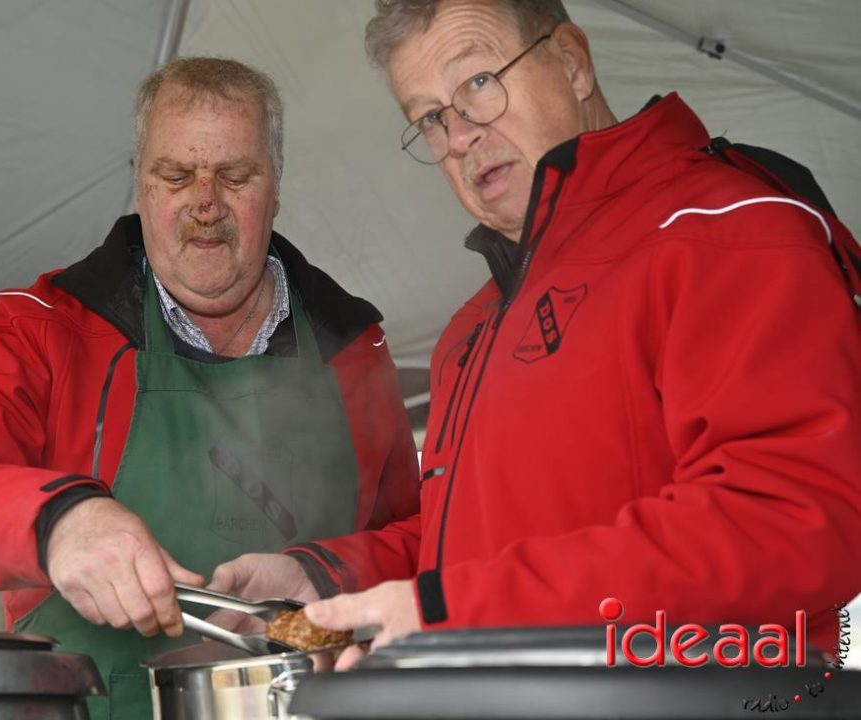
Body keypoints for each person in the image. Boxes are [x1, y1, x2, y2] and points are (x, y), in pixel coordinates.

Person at [210, 0, 861, 669]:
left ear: (572, 63)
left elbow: (791, 520)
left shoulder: (728, 229)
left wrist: (462, 612)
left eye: (478, 83)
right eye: (429, 117)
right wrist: (328, 580)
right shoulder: (472, 328)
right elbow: (466, 549)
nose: (458, 135)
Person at [0, 56, 419, 717]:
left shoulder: (354, 348)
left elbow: (427, 539)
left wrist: (325, 570)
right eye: (176, 176)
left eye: (234, 176)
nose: (205, 204)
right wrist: (58, 521)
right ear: (139, 185)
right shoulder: (44, 330)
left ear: (275, 184)